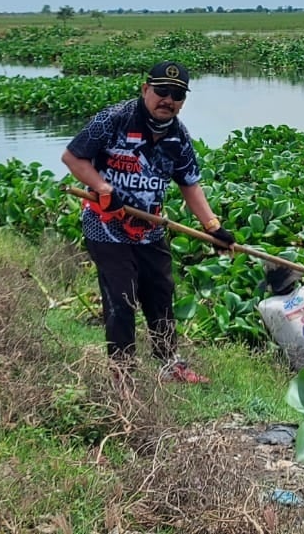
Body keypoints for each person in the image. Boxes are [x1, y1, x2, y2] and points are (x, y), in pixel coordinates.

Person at [62, 61, 235, 385]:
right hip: (105, 225)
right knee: (121, 297)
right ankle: (122, 373)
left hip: (149, 226)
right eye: (161, 91)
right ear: (145, 90)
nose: (167, 99)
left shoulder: (178, 137)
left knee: (160, 293)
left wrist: (213, 226)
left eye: (177, 95)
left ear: (183, 100)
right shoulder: (114, 119)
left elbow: (189, 183)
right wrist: (101, 188)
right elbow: (73, 157)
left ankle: (170, 365)